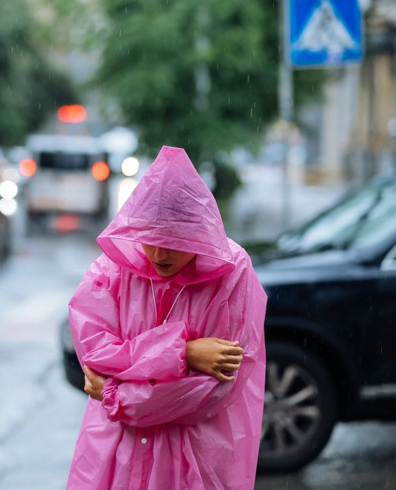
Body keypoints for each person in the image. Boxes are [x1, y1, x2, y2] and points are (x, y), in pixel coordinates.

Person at [66, 146, 267, 490]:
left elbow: (213, 390)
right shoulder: (111, 270)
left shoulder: (233, 273)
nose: (158, 254)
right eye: (149, 239)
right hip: (115, 462)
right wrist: (184, 353)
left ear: (198, 233)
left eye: (173, 241)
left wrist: (118, 395)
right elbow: (96, 357)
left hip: (195, 465)